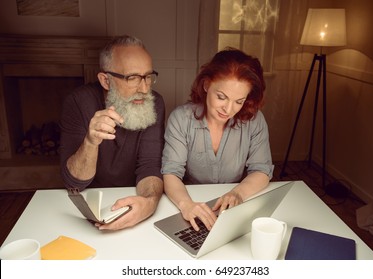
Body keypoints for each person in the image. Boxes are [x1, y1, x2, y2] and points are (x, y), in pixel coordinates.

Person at [161, 48, 274, 231]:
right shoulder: (181, 119)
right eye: (222, 97)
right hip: (193, 204)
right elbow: (171, 173)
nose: (228, 109)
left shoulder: (255, 120)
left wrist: (238, 194)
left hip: (232, 210)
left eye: (239, 101)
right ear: (206, 85)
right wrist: (186, 205)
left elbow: (261, 169)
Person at [60, 35, 165, 231]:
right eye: (132, 78)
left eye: (148, 77)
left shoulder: (154, 102)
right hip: (92, 203)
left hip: (134, 194)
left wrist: (149, 203)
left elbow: (149, 165)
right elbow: (73, 182)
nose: (144, 88)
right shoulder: (77, 102)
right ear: (106, 80)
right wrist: (90, 142)